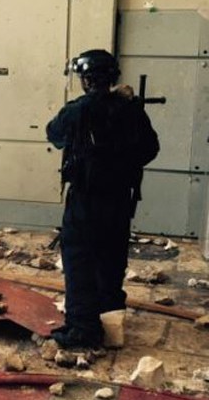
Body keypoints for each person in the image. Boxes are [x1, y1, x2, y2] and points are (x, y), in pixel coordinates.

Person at [46, 49, 159, 348]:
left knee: (79, 259)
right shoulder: (131, 110)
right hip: (119, 200)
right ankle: (111, 321)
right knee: (111, 256)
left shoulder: (76, 110)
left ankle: (82, 329)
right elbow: (150, 149)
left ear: (85, 80)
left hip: (85, 200)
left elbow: (54, 135)